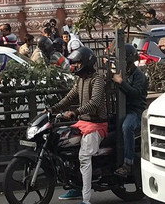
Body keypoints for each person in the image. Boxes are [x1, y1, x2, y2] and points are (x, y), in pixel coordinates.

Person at [49, 47, 108, 204]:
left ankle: (86, 199)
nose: (73, 67)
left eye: (76, 63)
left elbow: (94, 103)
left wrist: (75, 112)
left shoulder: (98, 80)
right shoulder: (80, 80)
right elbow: (69, 98)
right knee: (67, 149)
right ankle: (75, 186)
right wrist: (53, 109)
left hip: (96, 125)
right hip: (83, 123)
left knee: (84, 157)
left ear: (85, 64)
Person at [111, 44, 148, 177]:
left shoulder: (139, 76)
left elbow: (135, 94)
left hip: (135, 112)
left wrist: (121, 83)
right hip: (121, 110)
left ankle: (128, 163)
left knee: (127, 127)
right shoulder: (123, 73)